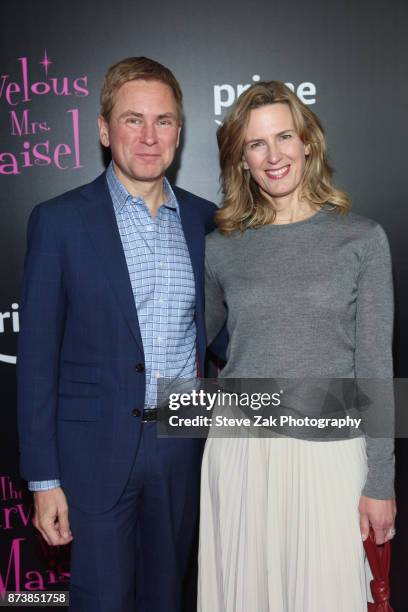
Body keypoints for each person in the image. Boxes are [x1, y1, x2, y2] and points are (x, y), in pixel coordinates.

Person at [17, 56, 216, 612]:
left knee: (168, 599)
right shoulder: (59, 221)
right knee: (101, 601)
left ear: (180, 130)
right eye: (133, 120)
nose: (149, 137)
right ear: (104, 130)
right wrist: (43, 479)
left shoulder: (207, 222)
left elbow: (230, 336)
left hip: (181, 444)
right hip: (92, 453)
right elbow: (35, 360)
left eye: (164, 120)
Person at [198, 81, 396, 611]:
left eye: (283, 136)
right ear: (241, 159)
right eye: (256, 144)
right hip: (240, 453)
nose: (273, 155)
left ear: (308, 142)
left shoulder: (362, 239)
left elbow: (375, 366)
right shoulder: (222, 248)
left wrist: (381, 479)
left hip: (328, 455)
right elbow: (199, 339)